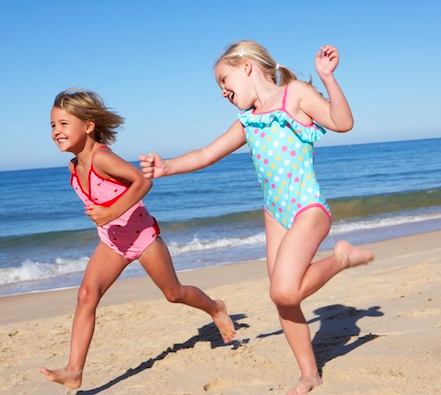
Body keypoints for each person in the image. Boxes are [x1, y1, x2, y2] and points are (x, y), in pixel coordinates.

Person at [139, 40, 374, 395]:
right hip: (275, 213)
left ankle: (341, 258)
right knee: (284, 299)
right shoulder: (247, 120)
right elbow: (207, 153)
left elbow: (343, 123)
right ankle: (309, 372)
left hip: (307, 207)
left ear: (246, 66)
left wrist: (327, 77)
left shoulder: (295, 94)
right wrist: (167, 167)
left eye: (223, 80)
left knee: (282, 289)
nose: (222, 92)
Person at [39, 88, 235, 389]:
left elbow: (142, 181)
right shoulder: (73, 166)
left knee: (174, 293)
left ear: (88, 126)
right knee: (86, 296)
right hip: (112, 242)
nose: (56, 131)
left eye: (64, 123)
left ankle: (215, 307)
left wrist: (108, 212)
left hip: (142, 237)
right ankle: (74, 370)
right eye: (53, 125)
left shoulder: (102, 158)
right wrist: (106, 221)